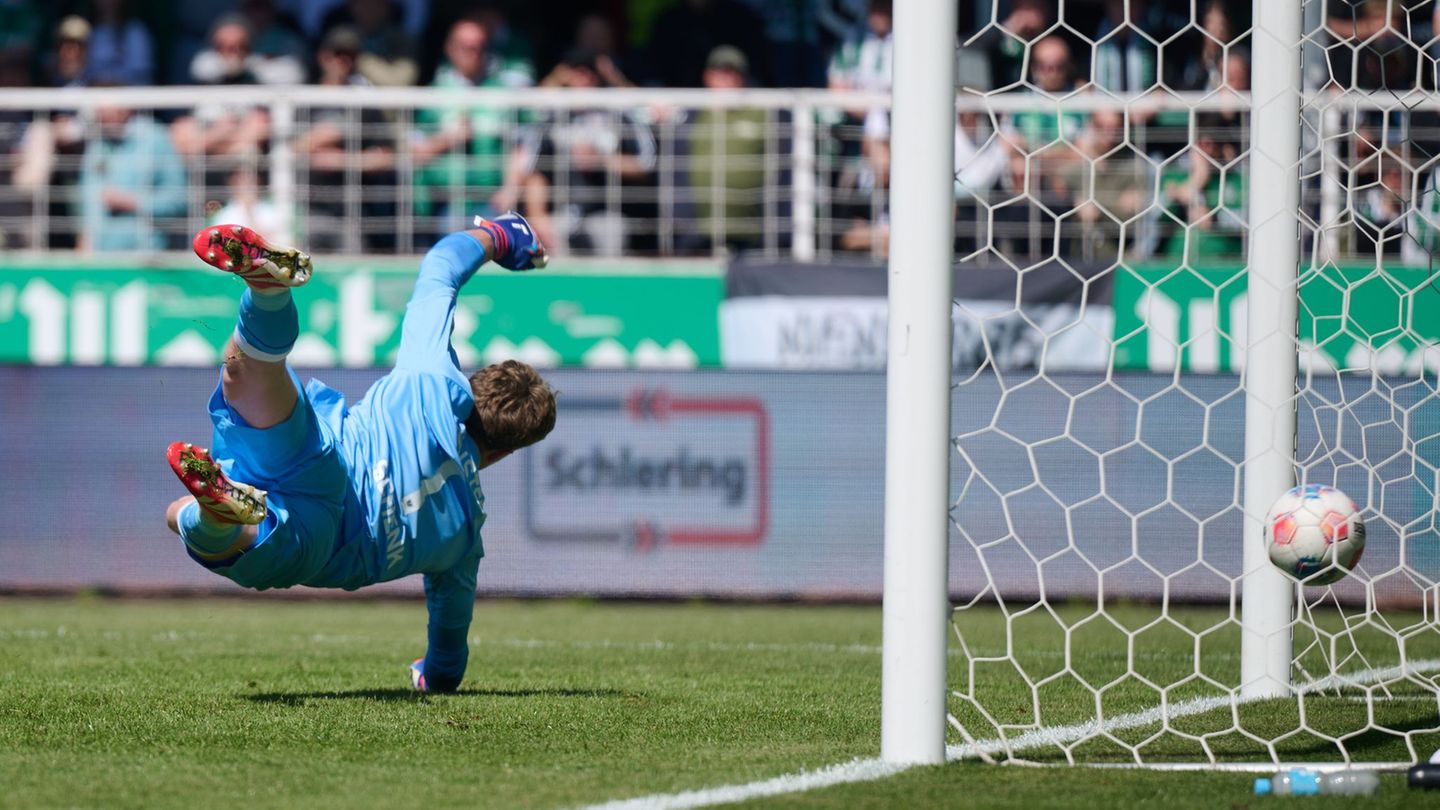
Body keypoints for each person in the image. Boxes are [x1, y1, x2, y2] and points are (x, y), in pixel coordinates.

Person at [163, 211, 554, 694]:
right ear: (508, 451)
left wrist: (500, 236)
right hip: (327, 540)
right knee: (204, 523)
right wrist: (434, 674)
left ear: (474, 387)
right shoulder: (464, 538)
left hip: (328, 453)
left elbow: (442, 266)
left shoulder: (431, 381)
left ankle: (267, 296)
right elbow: (450, 644)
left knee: (246, 379)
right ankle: (220, 515)